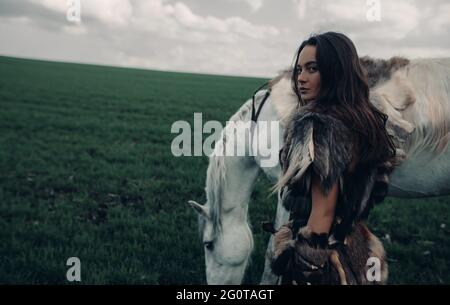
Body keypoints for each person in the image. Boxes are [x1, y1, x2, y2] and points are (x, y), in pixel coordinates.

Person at [269, 32, 398, 285]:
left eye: (312, 69)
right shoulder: (363, 121)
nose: (301, 78)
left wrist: (306, 268)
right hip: (357, 247)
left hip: (324, 258)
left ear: (335, 72)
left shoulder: (317, 127)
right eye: (298, 70)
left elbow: (324, 211)